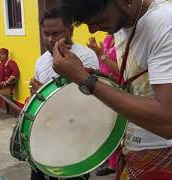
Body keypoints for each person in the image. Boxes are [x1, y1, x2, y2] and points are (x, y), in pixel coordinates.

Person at [55, 0, 172, 179]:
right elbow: (137, 84)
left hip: (164, 155)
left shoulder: (165, 22)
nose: (92, 30)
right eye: (87, 23)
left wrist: (85, 80)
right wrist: (96, 76)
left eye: (96, 20)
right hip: (134, 152)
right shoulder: (121, 24)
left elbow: (167, 122)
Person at [29, 8, 99, 180]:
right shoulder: (41, 61)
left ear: (70, 31)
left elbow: (91, 99)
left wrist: (46, 91)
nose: (50, 39)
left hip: (75, 139)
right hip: (46, 135)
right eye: (46, 34)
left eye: (56, 33)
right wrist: (37, 95)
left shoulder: (86, 56)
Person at [87, 34, 120, 176]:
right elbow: (102, 62)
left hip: (117, 87)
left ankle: (114, 164)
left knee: (115, 126)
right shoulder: (107, 39)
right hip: (103, 85)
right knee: (105, 125)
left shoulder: (122, 41)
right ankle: (110, 161)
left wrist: (101, 54)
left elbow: (122, 70)